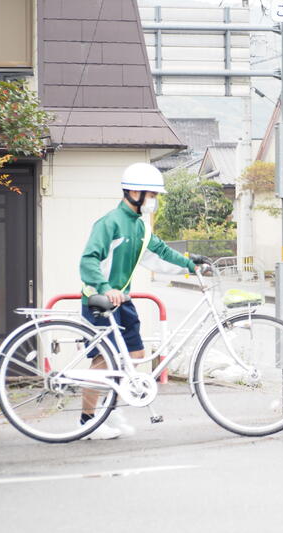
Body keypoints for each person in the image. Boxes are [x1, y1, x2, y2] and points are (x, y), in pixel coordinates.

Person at [79, 162, 198, 440]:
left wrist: (192, 265)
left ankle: (110, 408)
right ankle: (87, 421)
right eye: (151, 195)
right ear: (135, 192)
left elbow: (161, 253)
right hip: (100, 300)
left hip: (123, 300)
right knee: (104, 360)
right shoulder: (109, 223)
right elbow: (88, 260)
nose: (154, 201)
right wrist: (105, 287)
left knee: (134, 355)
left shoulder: (140, 227)